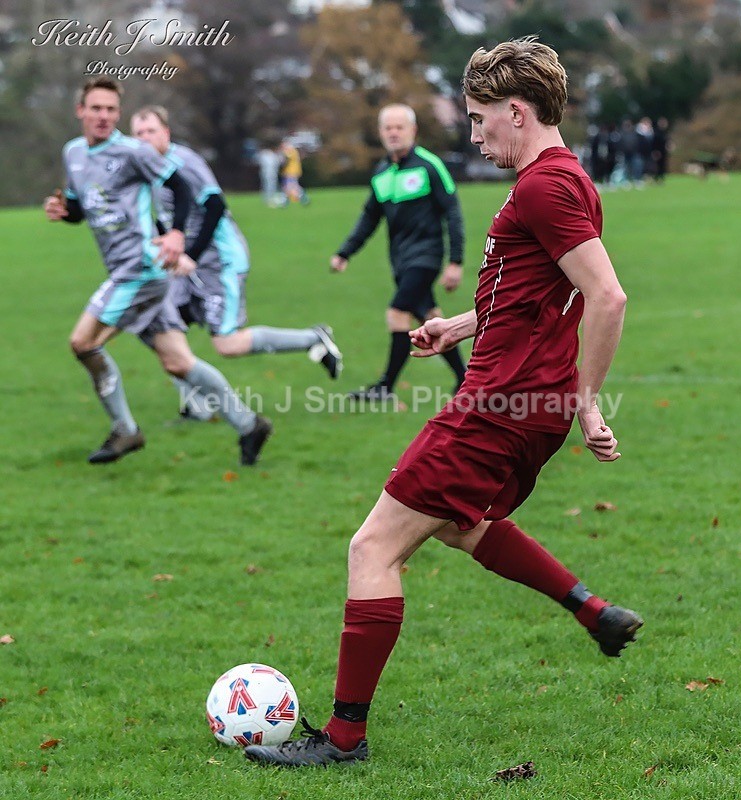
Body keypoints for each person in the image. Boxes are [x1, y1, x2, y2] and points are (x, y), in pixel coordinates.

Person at [245, 37, 643, 769]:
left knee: (372, 548)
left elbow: (606, 295)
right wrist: (458, 325)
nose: (472, 134)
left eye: (478, 118)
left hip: (497, 406)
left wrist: (591, 404)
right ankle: (594, 611)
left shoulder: (541, 188)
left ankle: (343, 738)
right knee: (467, 525)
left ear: (516, 112)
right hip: (526, 408)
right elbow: (537, 292)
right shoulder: (569, 179)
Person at [44, 78, 271, 465]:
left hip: (141, 271)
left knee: (83, 342)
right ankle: (249, 425)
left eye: (111, 110)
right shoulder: (74, 154)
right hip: (128, 272)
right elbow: (84, 207)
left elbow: (181, 187)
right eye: (96, 108)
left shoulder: (134, 152)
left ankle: (126, 430)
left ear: (118, 114)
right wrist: (65, 212)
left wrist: (178, 234)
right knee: (178, 362)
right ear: (80, 111)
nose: (103, 116)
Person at [129, 106, 342, 421]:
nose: (145, 138)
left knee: (227, 344)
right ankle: (197, 406)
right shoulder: (148, 168)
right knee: (160, 325)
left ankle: (313, 338)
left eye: (151, 131)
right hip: (186, 265)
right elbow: (168, 218)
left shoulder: (185, 163)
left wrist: (191, 256)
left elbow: (215, 207)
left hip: (220, 260)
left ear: (166, 133)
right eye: (139, 133)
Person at [330, 103, 467, 403]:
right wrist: (345, 253)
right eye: (387, 128)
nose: (393, 133)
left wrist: (455, 261)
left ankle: (385, 387)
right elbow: (369, 218)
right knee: (432, 319)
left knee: (397, 314)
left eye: (399, 127)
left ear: (413, 131)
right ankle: (466, 379)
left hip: (426, 257)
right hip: (401, 261)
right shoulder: (382, 173)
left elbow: (452, 212)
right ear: (380, 133)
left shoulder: (429, 165)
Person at [279, 140, 309, 205]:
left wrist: (283, 152)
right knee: (290, 186)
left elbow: (286, 157)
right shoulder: (293, 151)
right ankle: (287, 200)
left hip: (291, 172)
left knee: (291, 186)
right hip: (290, 172)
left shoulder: (291, 151)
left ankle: (301, 197)